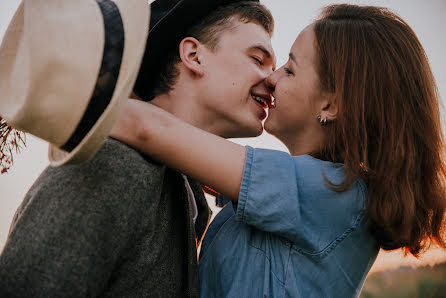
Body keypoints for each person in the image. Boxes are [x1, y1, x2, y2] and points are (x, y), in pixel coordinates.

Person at [111, 4, 446, 297]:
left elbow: (150, 129)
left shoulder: (336, 195)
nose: (271, 78)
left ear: (329, 104)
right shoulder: (303, 193)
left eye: (290, 68)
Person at [0, 0, 275, 297]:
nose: (272, 80)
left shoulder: (186, 195)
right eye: (258, 60)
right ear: (194, 56)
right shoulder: (112, 165)